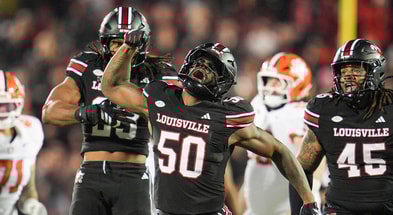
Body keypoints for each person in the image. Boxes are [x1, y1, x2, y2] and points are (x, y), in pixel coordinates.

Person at [101, 30, 320, 215]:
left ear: (222, 82)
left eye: (212, 68)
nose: (203, 68)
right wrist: (127, 48)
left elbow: (279, 151)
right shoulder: (161, 100)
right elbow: (111, 86)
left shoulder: (225, 117)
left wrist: (308, 199)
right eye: (200, 61)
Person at [42, 7, 174, 215]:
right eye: (116, 43)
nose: (122, 50)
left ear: (142, 45)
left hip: (134, 173)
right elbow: (49, 111)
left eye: (128, 44)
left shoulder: (157, 73)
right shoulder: (89, 64)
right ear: (104, 44)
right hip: (92, 173)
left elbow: (180, 117)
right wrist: (84, 113)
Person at [289, 39, 393, 215]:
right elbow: (301, 169)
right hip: (339, 210)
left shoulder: (390, 109)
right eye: (343, 70)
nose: (347, 76)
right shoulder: (326, 110)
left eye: (356, 70)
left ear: (376, 71)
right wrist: (301, 207)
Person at [238, 52, 322, 215]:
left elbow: (314, 159)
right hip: (258, 201)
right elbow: (253, 164)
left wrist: (315, 187)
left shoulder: (298, 113)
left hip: (287, 204)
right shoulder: (258, 106)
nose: (270, 86)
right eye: (268, 80)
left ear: (297, 84)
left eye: (277, 81)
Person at [0, 71, 47, 215]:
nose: (1, 112)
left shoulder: (30, 130)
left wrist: (30, 204)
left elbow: (28, 188)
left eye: (5, 106)